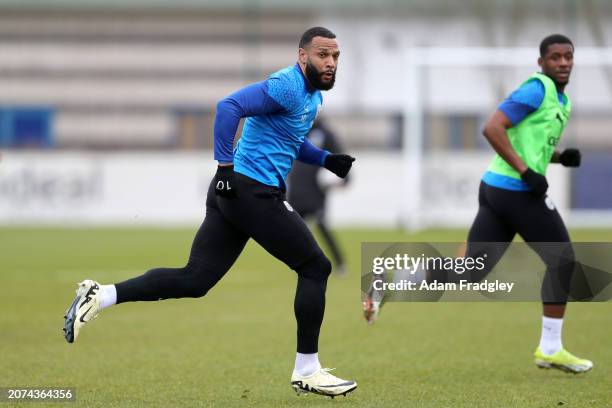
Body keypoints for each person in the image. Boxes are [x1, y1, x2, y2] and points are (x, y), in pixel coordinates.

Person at [63, 27, 358, 398]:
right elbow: (229, 107)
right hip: (250, 192)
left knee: (195, 280)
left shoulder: (312, 97)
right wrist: (224, 167)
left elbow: (291, 140)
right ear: (303, 56)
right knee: (316, 266)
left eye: (335, 57)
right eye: (322, 55)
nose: (330, 63)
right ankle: (307, 369)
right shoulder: (287, 85)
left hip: (236, 194)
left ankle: (101, 294)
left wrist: (326, 159)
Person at [363, 34, 593, 375]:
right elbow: (492, 127)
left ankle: (392, 281)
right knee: (563, 259)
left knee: (470, 271)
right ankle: (550, 347)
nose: (562, 62)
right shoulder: (537, 88)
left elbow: (525, 140)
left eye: (568, 56)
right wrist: (526, 172)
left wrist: (559, 156)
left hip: (497, 190)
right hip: (515, 191)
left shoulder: (563, 101)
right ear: (541, 62)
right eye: (555, 57)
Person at [287, 118, 349, 276]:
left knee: (321, 226)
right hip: (296, 188)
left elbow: (340, 156)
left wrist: (344, 179)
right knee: (294, 229)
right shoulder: (296, 128)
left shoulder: (325, 133)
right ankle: (301, 264)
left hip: (316, 191)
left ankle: (340, 264)